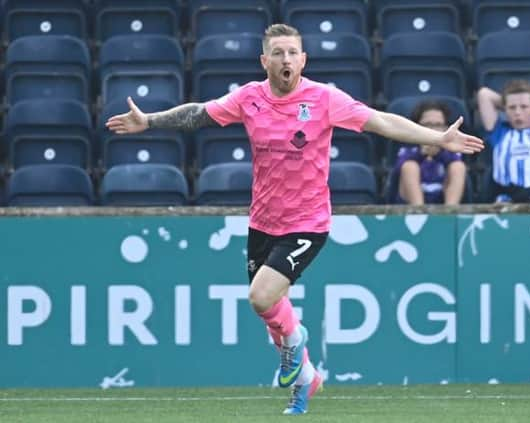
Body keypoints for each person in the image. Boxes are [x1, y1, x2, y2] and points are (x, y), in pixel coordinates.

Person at [106, 24, 483, 415]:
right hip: (263, 220)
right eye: (278, 53)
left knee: (261, 296)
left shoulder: (324, 99)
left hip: (308, 221)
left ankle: (297, 340)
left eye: (292, 53)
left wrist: (436, 138)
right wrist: (148, 121)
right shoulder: (249, 98)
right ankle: (306, 381)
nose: (286, 59)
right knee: (271, 313)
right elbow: (199, 114)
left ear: (303, 59)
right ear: (264, 60)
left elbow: (380, 120)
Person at [392, 100, 467, 205]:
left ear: (446, 128)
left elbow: (456, 161)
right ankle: (420, 213)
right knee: (409, 166)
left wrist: (438, 153)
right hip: (409, 203)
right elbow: (397, 170)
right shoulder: (408, 147)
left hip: (442, 198)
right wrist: (421, 154)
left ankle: (450, 212)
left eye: (438, 125)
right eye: (427, 124)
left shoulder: (451, 149)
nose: (432, 129)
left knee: (458, 166)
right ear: (416, 126)